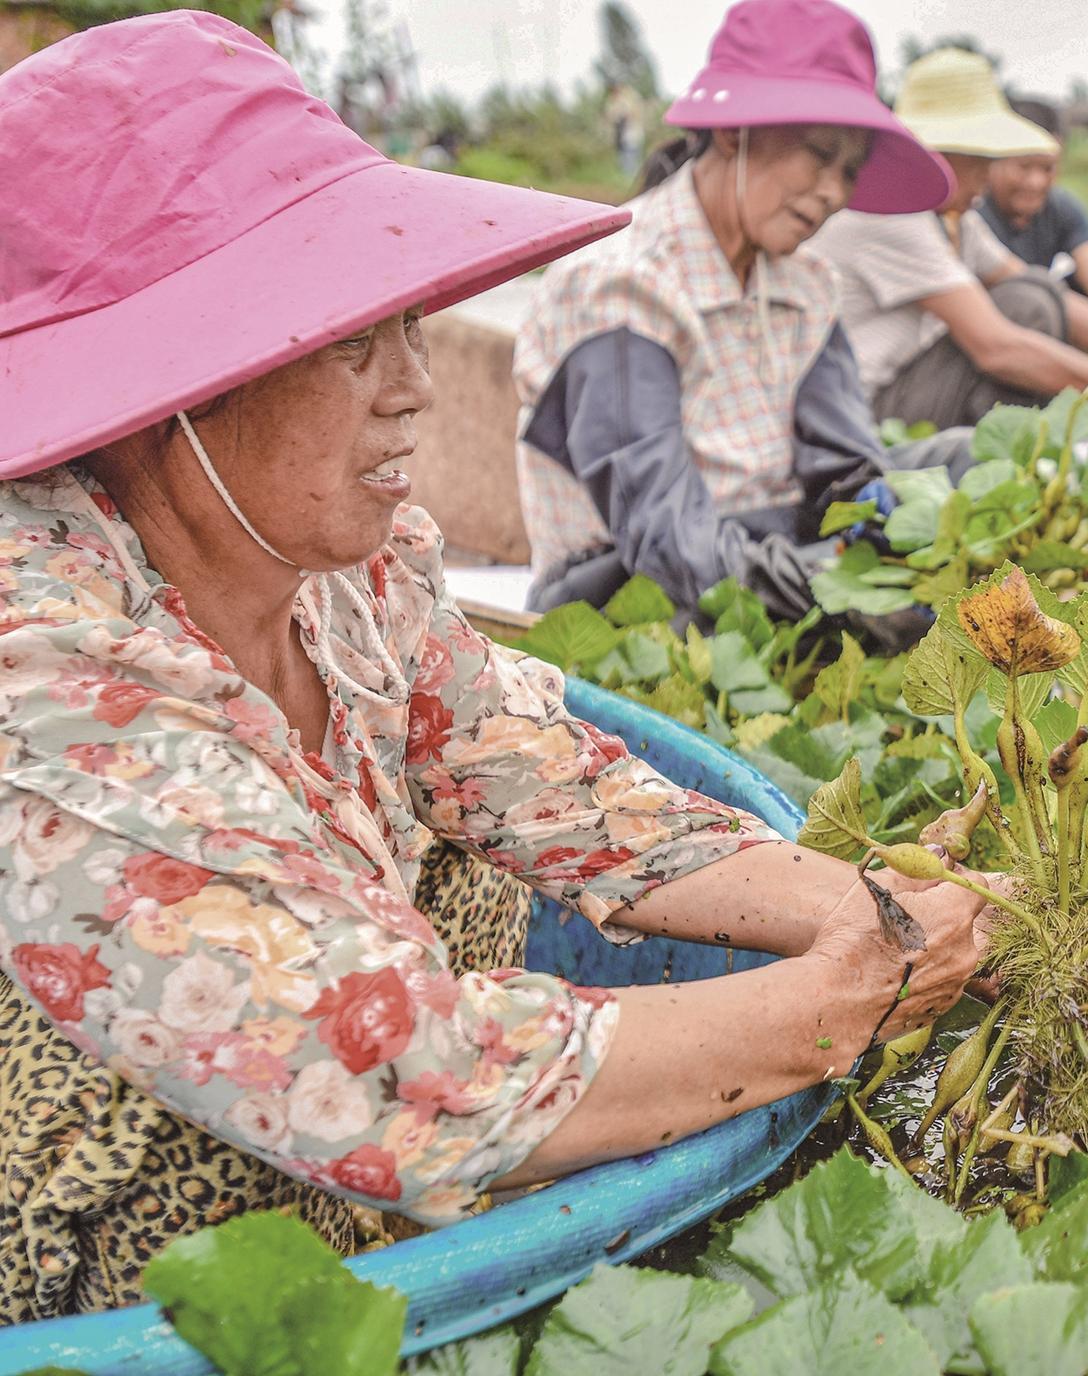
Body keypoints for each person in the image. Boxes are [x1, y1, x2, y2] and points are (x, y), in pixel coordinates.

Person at [0, 11, 984, 1319]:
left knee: (460, 837)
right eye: (352, 341)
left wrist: (871, 907)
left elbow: (546, 782)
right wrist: (839, 1000)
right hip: (133, 1236)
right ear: (173, 379)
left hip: (385, 1111)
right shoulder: (45, 659)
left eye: (410, 324)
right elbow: (400, 1067)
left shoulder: (347, 560)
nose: (417, 385)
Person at [515, 0, 968, 637]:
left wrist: (875, 508)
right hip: (632, 588)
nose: (835, 193)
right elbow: (666, 533)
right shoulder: (623, 284)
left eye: (850, 172)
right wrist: (837, 598)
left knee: (964, 464)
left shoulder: (806, 283)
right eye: (819, 155)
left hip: (771, 544)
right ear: (734, 132)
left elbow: (837, 463)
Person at [811, 48, 1088, 435]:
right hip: (865, 412)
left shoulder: (953, 216)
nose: (985, 179)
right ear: (938, 155)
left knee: (1036, 289)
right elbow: (996, 347)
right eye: (979, 162)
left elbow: (1034, 285)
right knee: (1026, 308)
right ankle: (1004, 459)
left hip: (910, 386)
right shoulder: (890, 215)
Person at [975, 98, 1088, 316]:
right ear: (994, 159)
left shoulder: (1061, 206)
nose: (1036, 182)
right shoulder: (972, 213)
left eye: (1048, 168)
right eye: (1024, 167)